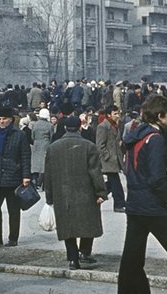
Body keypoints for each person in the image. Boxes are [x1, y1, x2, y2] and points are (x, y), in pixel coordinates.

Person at [118, 95, 167, 294]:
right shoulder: (156, 138)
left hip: (134, 204)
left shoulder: (136, 135)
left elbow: (145, 169)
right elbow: (156, 178)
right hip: (152, 206)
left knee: (132, 262)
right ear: (160, 116)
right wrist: (166, 204)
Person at [44, 116, 108, 270]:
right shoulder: (89, 146)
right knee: (88, 223)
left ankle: (73, 259)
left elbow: (48, 175)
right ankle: (85, 252)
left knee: (68, 227)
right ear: (80, 127)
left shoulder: (53, 147)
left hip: (62, 193)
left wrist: (49, 196)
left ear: (65, 128)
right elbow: (95, 172)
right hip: (85, 192)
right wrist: (101, 192)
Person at [0, 107, 31, 247]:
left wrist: (26, 175)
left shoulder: (19, 135)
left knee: (13, 210)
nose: (2, 122)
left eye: (4, 119)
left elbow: (25, 156)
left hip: (13, 176)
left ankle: (13, 237)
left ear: (11, 120)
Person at [96, 105, 127, 212]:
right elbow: (100, 145)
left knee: (111, 184)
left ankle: (97, 196)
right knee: (116, 183)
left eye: (118, 113)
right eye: (115, 114)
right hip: (108, 160)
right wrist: (106, 155)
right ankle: (119, 204)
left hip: (115, 158)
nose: (117, 116)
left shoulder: (115, 125)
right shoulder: (103, 126)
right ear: (109, 115)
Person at [30, 108, 52, 190]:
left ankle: (34, 180)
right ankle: (42, 183)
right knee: (44, 165)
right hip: (46, 144)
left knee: (35, 164)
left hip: (36, 144)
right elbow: (51, 136)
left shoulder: (35, 124)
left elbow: (32, 136)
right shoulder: (49, 125)